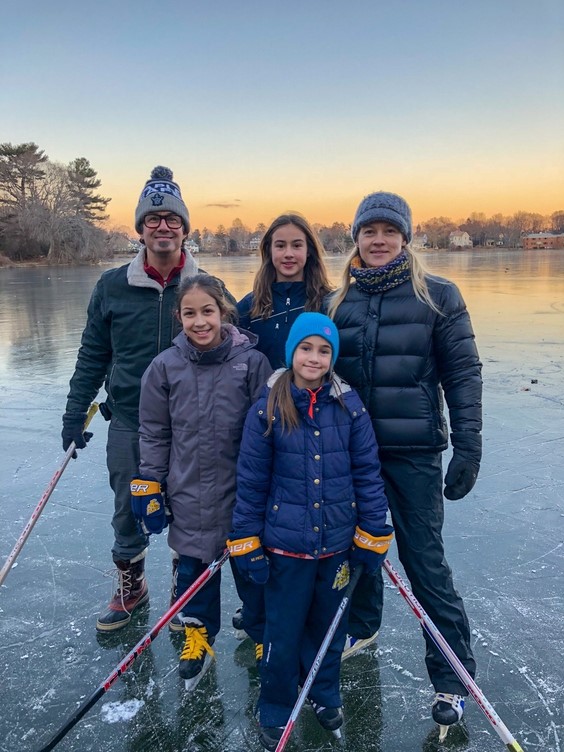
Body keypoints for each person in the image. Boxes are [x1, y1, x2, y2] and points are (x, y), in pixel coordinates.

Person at [327, 191, 482, 736]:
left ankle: (452, 676)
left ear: (405, 238)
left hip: (413, 453)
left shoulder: (438, 296)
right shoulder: (337, 302)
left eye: (389, 231)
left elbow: (462, 373)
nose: (378, 240)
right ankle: (363, 625)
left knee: (424, 563)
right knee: (356, 550)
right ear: (356, 237)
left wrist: (468, 445)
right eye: (369, 231)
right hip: (352, 453)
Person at [62, 166, 232, 632]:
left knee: (190, 510)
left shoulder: (208, 287)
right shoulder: (112, 286)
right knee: (127, 507)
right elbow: (93, 354)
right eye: (153, 218)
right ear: (140, 227)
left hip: (193, 424)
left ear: (184, 228)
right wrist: (75, 412)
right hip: (131, 420)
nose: (163, 226)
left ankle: (184, 587)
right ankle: (132, 585)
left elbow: (236, 348)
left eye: (172, 218)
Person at [228, 312, 393, 751]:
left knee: (329, 629)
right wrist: (246, 540)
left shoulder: (350, 407)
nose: (314, 358)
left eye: (324, 350)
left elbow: (367, 473)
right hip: (285, 547)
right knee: (281, 634)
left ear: (333, 357)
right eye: (306, 348)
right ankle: (276, 704)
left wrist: (372, 531)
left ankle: (323, 693)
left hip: (336, 546)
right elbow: (251, 481)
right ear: (292, 352)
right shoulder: (267, 407)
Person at [134, 274, 272, 688]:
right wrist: (150, 484)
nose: (200, 322)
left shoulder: (252, 363)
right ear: (179, 317)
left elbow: (269, 429)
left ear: (223, 311)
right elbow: (154, 432)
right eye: (190, 313)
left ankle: (261, 631)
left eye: (207, 311)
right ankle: (198, 635)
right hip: (189, 489)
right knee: (195, 569)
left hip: (242, 492)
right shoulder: (164, 367)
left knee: (252, 569)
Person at [237, 213, 332, 369]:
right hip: (265, 385)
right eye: (280, 246)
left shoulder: (329, 304)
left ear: (308, 250)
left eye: (297, 245)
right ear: (269, 250)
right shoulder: (249, 307)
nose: (288, 254)